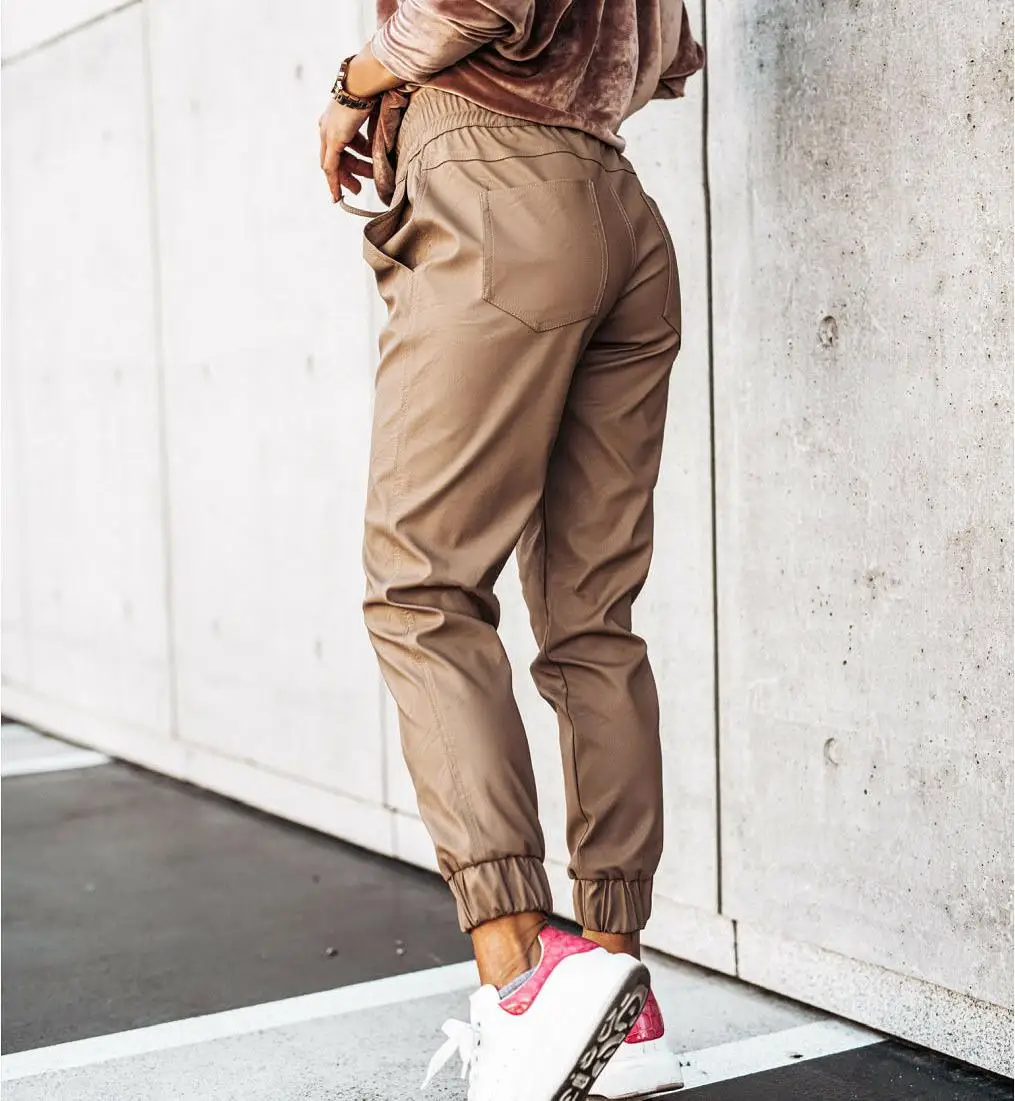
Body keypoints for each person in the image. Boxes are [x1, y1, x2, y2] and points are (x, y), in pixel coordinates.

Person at [318, 4, 704, 1098]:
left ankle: (525, 980)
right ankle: (617, 993)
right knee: (592, 620)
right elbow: (667, 57)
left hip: (495, 185)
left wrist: (356, 84)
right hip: (618, 212)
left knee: (421, 589)